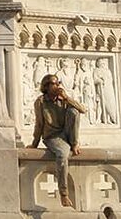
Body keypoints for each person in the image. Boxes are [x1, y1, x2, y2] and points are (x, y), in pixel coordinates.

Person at [30, 74, 87, 208]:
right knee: (62, 154)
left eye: (58, 83)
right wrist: (34, 143)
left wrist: (67, 98)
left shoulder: (63, 99)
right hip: (52, 137)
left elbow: (83, 110)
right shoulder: (41, 102)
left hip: (66, 134)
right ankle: (64, 194)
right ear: (46, 87)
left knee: (74, 112)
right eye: (53, 84)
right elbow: (39, 124)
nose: (57, 86)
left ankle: (74, 144)